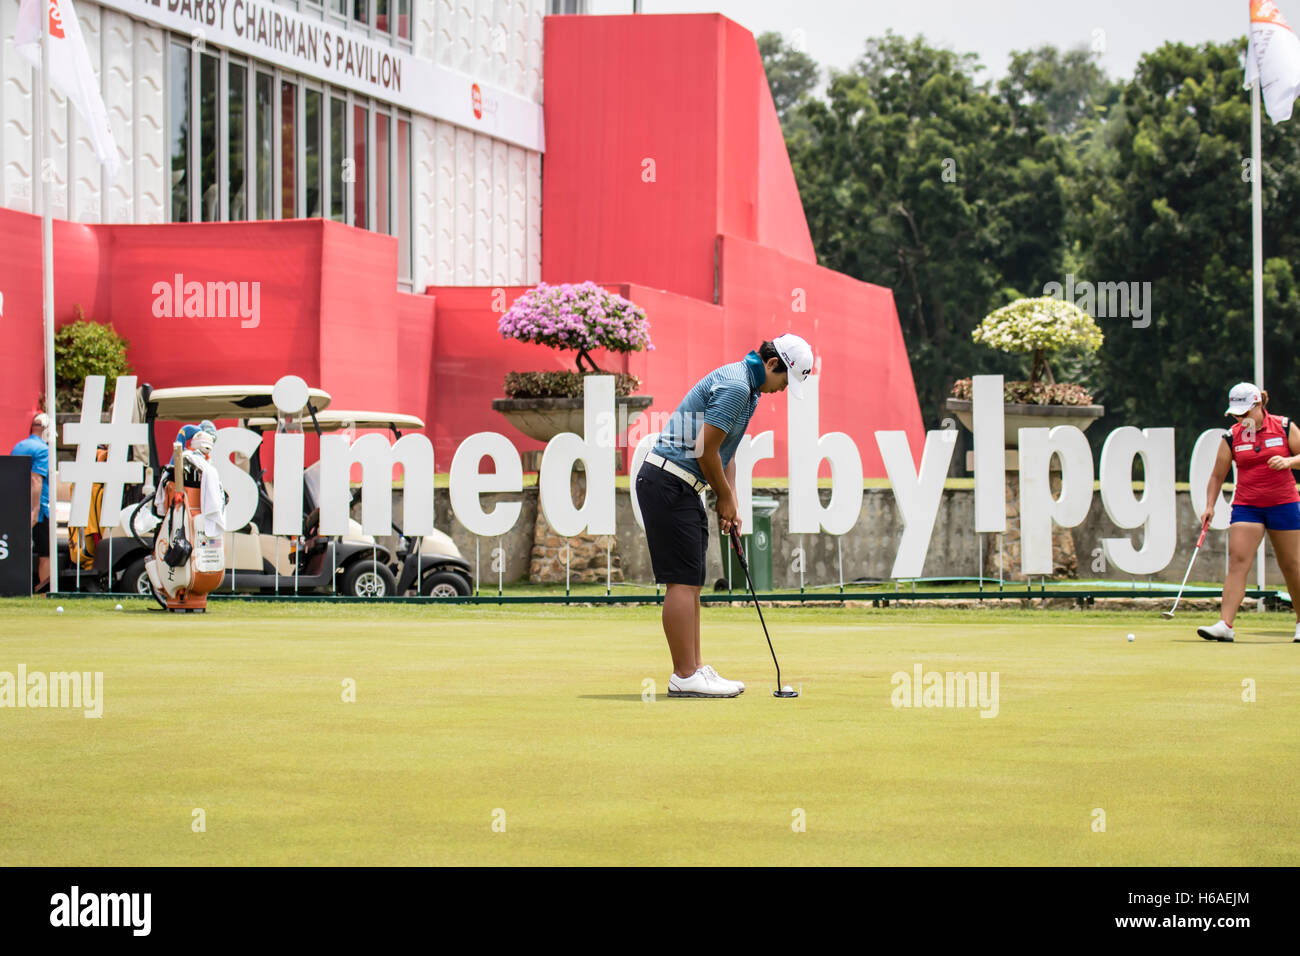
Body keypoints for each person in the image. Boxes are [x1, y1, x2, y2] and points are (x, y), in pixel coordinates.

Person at [637, 334, 814, 696]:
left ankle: (695, 669)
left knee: (692, 580)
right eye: (785, 380)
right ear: (773, 364)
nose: (783, 389)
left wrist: (729, 500)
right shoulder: (736, 386)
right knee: (682, 581)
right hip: (669, 481)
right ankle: (684, 675)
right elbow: (704, 450)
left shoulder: (749, 390)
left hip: (683, 486)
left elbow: (725, 452)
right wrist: (724, 498)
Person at [1198, 382, 1300, 643]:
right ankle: (1225, 625)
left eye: (1245, 413)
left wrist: (1289, 461)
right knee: (1238, 562)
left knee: (1291, 565)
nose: (1241, 419)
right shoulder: (1231, 437)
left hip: (1284, 503)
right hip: (1247, 506)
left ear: (1259, 405)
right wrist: (1210, 505)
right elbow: (1217, 475)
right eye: (1237, 414)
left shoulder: (1284, 426)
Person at [11, 412, 51, 591]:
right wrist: (35, 511)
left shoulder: (18, 446)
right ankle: (43, 592)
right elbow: (36, 480)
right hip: (39, 508)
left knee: (19, 549)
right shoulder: (42, 449)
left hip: (17, 504)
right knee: (46, 553)